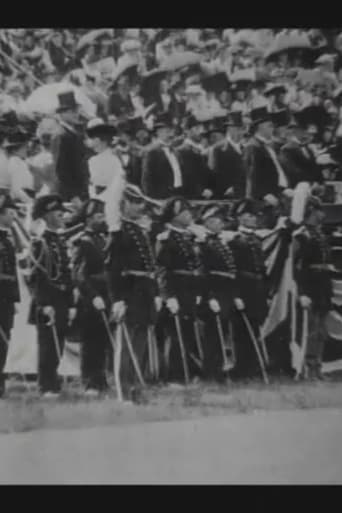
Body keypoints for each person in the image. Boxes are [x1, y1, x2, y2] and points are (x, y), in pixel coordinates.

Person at [106, 185, 161, 394]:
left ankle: (135, 388)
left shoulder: (139, 230)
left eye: (140, 202)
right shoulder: (118, 232)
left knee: (139, 343)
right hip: (129, 291)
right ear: (124, 204)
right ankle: (123, 390)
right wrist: (117, 299)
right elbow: (112, 269)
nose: (140, 207)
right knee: (125, 342)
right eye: (135, 203)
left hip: (144, 290)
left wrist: (155, 292)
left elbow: (150, 266)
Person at [27, 194, 76, 397]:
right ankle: (45, 385)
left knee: (60, 341)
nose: (62, 216)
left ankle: (53, 381)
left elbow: (67, 274)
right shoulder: (40, 242)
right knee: (48, 343)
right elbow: (37, 278)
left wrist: (71, 303)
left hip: (62, 298)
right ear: (46, 216)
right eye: (58, 213)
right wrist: (44, 304)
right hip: (48, 300)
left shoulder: (61, 240)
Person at [156, 197, 203, 384]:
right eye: (184, 212)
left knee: (187, 332)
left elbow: (194, 266)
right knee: (174, 335)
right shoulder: (165, 238)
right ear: (174, 216)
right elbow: (161, 269)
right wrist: (168, 296)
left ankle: (188, 373)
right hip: (176, 289)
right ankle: (173, 377)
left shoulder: (187, 237)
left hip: (189, 289)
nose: (189, 215)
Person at [199, 205, 244, 381]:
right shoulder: (203, 244)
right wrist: (209, 296)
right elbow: (203, 272)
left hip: (226, 291)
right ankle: (212, 372)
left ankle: (223, 370)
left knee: (224, 331)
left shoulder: (221, 243)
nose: (221, 224)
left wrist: (235, 295)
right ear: (208, 222)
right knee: (213, 334)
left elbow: (231, 272)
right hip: (214, 291)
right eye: (217, 220)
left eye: (221, 221)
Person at [72, 198, 110, 396]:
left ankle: (100, 379)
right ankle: (89, 382)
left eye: (103, 215)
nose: (102, 219)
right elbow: (79, 274)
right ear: (88, 219)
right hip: (90, 297)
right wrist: (93, 295)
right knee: (90, 342)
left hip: (105, 294)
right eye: (97, 216)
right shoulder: (82, 241)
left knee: (102, 340)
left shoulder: (102, 239)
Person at [229, 199, 269, 380]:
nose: (254, 219)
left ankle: (255, 367)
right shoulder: (234, 241)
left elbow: (263, 268)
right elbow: (233, 270)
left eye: (255, 216)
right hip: (244, 288)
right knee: (242, 330)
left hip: (258, 288)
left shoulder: (258, 239)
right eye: (249, 215)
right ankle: (242, 368)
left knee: (256, 326)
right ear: (240, 218)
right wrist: (236, 294)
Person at [294, 196, 333, 381]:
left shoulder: (321, 235)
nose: (322, 214)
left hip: (323, 286)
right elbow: (297, 267)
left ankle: (317, 366)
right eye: (319, 210)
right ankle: (308, 367)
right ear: (311, 212)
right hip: (310, 286)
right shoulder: (302, 236)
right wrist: (302, 293)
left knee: (321, 329)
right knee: (310, 329)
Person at [51, 91, 89, 202]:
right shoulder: (60, 135)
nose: (76, 114)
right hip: (70, 195)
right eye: (72, 111)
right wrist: (73, 196)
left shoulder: (74, 133)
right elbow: (60, 171)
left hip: (81, 190)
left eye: (76, 111)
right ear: (62, 114)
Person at [244, 106, 289, 200]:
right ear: (260, 127)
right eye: (270, 126)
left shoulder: (268, 146)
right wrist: (263, 194)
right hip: (264, 198)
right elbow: (252, 176)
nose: (272, 129)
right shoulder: (253, 146)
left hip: (277, 192)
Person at [0, 192, 20, 397]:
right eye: (11, 213)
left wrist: (14, 298)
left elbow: (12, 272)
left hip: (6, 299)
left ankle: (0, 384)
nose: (14, 217)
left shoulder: (7, 239)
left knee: (4, 341)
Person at [142, 114, 185, 199]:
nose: (169, 134)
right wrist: (152, 199)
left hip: (179, 193)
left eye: (170, 131)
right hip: (161, 196)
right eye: (166, 131)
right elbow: (147, 179)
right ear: (158, 133)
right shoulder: (152, 152)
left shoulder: (175, 151)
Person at [280, 107, 324, 188]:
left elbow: (316, 169)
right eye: (308, 132)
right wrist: (312, 183)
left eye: (313, 135)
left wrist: (320, 182)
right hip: (297, 189)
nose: (311, 137)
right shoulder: (286, 150)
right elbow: (293, 172)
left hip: (313, 188)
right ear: (297, 131)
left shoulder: (308, 149)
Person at [210, 110, 246, 199]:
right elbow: (215, 175)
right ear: (229, 130)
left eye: (241, 129)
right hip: (226, 196)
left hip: (244, 194)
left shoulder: (245, 149)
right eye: (237, 129)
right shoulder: (218, 149)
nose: (240, 133)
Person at [85, 118, 125, 197]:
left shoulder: (97, 160)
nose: (91, 144)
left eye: (92, 139)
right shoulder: (112, 157)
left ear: (98, 140)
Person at [177, 115, 213, 199]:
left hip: (206, 195)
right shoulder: (182, 151)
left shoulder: (201, 150)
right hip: (192, 198)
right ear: (187, 131)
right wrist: (200, 191)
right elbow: (186, 177)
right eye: (196, 129)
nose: (200, 131)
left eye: (201, 128)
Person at [3, 130, 34, 203]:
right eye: (25, 147)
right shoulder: (15, 162)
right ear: (15, 150)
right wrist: (31, 202)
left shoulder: (20, 162)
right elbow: (17, 190)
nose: (28, 149)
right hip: (21, 201)